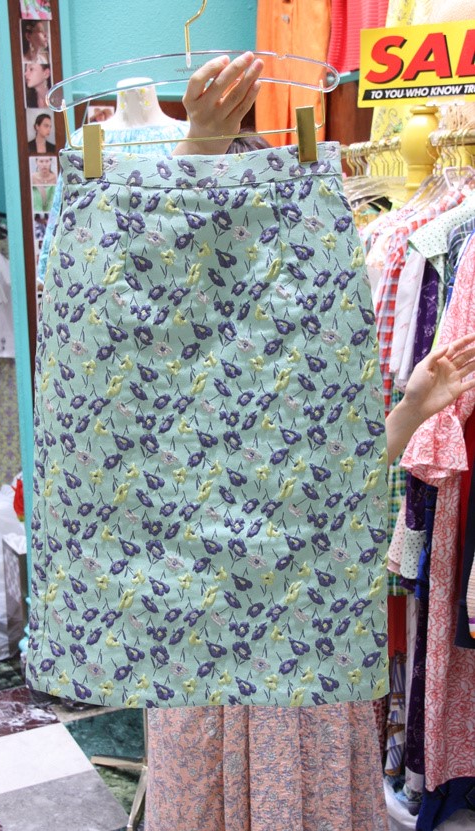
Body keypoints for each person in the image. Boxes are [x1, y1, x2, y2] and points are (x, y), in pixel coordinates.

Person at [141, 52, 475, 831]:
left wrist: (413, 407)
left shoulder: (305, 324)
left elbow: (339, 478)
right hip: (209, 633)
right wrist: (199, 144)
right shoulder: (165, 340)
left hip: (310, 630)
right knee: (209, 798)